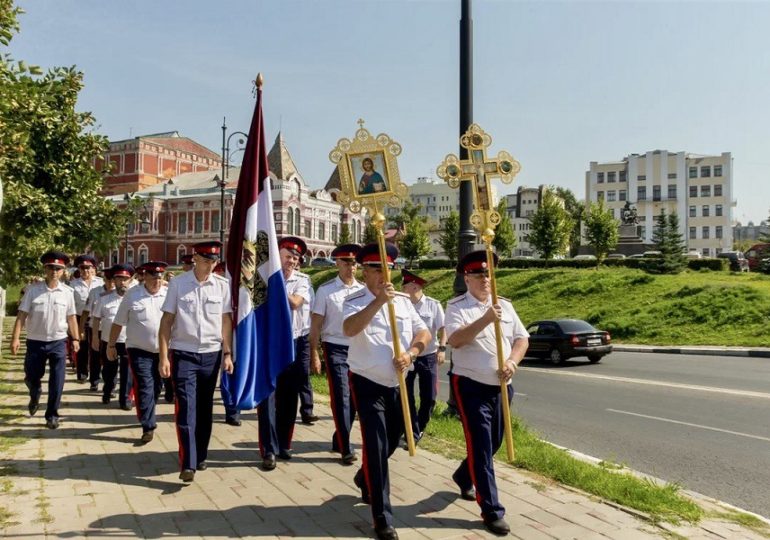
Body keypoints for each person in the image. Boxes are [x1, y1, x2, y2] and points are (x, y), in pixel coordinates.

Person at [343, 243, 431, 540]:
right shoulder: (355, 299)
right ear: (365, 272)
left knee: (393, 438)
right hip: (367, 382)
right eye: (376, 269)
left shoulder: (405, 302)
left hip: (398, 383)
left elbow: (424, 333)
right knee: (377, 445)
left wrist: (411, 353)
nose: (383, 274)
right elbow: (350, 329)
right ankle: (383, 517)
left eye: (388, 268)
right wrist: (378, 302)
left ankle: (364, 476)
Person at [444, 250, 529, 536]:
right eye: (479, 275)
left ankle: (463, 475)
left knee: (492, 443)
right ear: (466, 278)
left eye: (489, 274)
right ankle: (491, 510)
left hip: (502, 387)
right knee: (481, 446)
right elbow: (454, 340)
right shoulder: (457, 306)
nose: (486, 279)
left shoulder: (505, 304)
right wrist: (485, 319)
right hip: (470, 386)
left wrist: (512, 362)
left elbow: (522, 338)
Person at [159, 241, 234, 483]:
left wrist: (228, 354)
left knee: (204, 408)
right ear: (195, 259)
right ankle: (188, 463)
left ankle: (200, 453)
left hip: (211, 355)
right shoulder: (178, 284)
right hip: (184, 353)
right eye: (205, 260)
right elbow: (167, 322)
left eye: (213, 261)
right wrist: (163, 356)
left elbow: (225, 321)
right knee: (187, 408)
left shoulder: (222, 286)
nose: (210, 265)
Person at [257, 237, 313, 470]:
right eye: (287, 256)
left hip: (295, 343)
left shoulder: (303, 280)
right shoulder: (262, 279)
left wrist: (276, 280)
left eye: (295, 257)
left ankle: (284, 443)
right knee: (268, 397)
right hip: (269, 343)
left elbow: (294, 303)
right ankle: (268, 449)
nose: (292, 261)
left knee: (289, 398)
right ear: (277, 255)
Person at [11, 251, 79, 429]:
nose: (54, 271)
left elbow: (71, 317)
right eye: (51, 268)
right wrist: (15, 338)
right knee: (33, 377)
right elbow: (21, 315)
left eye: (58, 269)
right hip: (35, 341)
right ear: (45, 269)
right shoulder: (33, 291)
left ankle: (52, 414)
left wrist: (76, 339)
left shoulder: (67, 292)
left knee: (57, 380)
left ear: (63, 271)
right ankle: (35, 393)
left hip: (58, 341)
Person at [309, 243, 363, 465]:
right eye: (347, 263)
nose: (351, 267)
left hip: (359, 349)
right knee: (341, 396)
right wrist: (314, 352)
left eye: (354, 263)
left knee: (354, 399)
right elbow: (316, 324)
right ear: (338, 264)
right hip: (335, 348)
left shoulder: (363, 291)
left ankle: (338, 435)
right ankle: (345, 447)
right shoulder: (326, 290)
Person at [109, 261, 167, 444]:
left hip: (163, 351)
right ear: (144, 277)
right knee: (144, 386)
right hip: (138, 350)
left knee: (157, 387)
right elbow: (118, 322)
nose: (157, 280)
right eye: (153, 277)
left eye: (160, 277)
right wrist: (111, 345)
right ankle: (148, 426)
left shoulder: (169, 295)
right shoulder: (132, 295)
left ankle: (148, 409)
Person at [401, 269, 446, 445]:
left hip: (428, 356)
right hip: (408, 355)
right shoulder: (402, 304)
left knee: (430, 396)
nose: (402, 289)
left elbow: (443, 328)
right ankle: (412, 430)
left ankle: (420, 426)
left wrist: (442, 348)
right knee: (407, 395)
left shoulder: (433, 305)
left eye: (404, 286)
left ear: (414, 286)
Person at [91, 264, 134, 410]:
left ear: (130, 280)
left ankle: (125, 399)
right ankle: (108, 390)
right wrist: (95, 337)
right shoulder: (104, 298)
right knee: (109, 370)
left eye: (125, 279)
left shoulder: (135, 298)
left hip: (128, 341)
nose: (122, 282)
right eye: (119, 279)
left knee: (127, 372)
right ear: (114, 280)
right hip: (109, 340)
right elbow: (96, 318)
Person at [213, 261, 241, 427]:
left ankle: (233, 411)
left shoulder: (241, 292)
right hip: (214, 338)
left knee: (232, 374)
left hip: (235, 336)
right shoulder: (214, 288)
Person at [70, 255, 104, 383]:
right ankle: (82, 373)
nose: (85, 270)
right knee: (82, 346)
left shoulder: (100, 283)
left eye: (88, 267)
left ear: (93, 268)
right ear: (79, 269)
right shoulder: (73, 285)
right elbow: (71, 305)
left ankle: (95, 375)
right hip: (80, 318)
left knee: (96, 347)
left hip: (97, 318)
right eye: (82, 268)